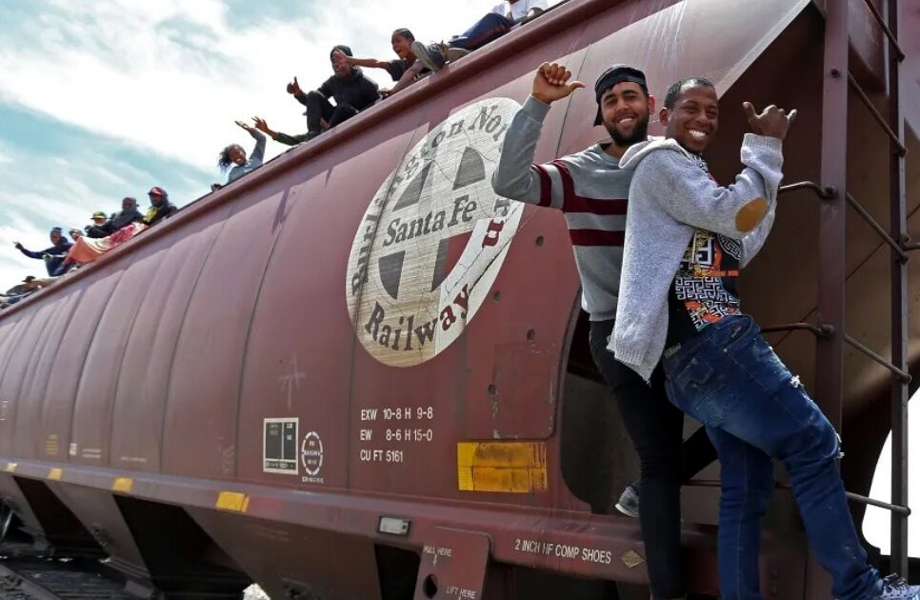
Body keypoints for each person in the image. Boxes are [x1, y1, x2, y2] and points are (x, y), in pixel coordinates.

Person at [611, 77, 919, 600]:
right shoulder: (660, 164)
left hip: (696, 356)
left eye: (712, 110)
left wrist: (764, 168)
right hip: (713, 342)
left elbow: (744, 235)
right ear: (664, 116)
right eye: (691, 107)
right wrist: (765, 149)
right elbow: (735, 212)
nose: (704, 118)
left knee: (746, 487)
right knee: (814, 442)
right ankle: (861, 592)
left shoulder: (695, 179)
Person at [491, 63, 716, 600]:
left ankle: (642, 491)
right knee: (659, 459)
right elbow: (509, 182)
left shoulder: (670, 159)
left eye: (630, 96)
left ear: (648, 103)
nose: (622, 107)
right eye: (611, 100)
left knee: (743, 422)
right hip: (617, 331)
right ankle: (669, 592)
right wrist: (538, 104)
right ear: (602, 114)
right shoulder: (578, 172)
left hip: (680, 319)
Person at [289, 46, 380, 141]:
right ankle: (313, 135)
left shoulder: (365, 83)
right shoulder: (333, 82)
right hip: (336, 120)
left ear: (350, 61)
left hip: (359, 118)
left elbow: (379, 104)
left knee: (343, 108)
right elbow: (315, 103)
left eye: (339, 60)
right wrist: (300, 94)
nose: (335, 64)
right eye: (333, 61)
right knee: (313, 94)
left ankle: (327, 134)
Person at [331, 30, 452, 98]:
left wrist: (394, 90)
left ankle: (441, 55)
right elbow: (377, 63)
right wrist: (350, 60)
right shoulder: (400, 66)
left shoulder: (421, 51)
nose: (395, 46)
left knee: (421, 58)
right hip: (428, 89)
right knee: (411, 75)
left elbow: (413, 70)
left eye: (398, 41)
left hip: (435, 59)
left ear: (410, 41)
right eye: (392, 44)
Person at [447, 0, 548, 53]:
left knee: (494, 19)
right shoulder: (499, 8)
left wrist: (508, 24)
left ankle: (451, 47)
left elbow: (535, 15)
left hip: (520, 35)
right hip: (499, 43)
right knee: (457, 37)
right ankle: (447, 50)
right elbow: (481, 28)